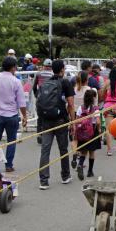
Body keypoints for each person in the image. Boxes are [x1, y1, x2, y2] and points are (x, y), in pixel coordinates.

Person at [0, 57, 28, 172]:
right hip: (12, 115)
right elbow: (21, 102)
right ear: (13, 67)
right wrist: (24, 116)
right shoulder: (16, 81)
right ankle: (8, 165)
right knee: (11, 140)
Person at [38, 60, 75, 190]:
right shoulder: (65, 82)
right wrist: (73, 121)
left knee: (45, 150)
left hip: (46, 120)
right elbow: (70, 104)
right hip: (60, 120)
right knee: (63, 149)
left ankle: (43, 180)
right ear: (62, 69)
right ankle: (65, 176)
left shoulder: (46, 82)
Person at [76, 90, 101, 180]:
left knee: (83, 151)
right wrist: (99, 129)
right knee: (92, 152)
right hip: (92, 131)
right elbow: (98, 122)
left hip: (83, 131)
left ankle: (80, 164)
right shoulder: (95, 109)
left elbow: (77, 120)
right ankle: (90, 171)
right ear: (93, 98)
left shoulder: (80, 108)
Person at [33, 59, 54, 144]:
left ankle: (39, 134)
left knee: (40, 117)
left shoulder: (39, 74)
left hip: (40, 98)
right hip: (51, 99)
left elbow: (34, 87)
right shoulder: (53, 74)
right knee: (50, 117)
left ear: (44, 66)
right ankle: (48, 135)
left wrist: (36, 95)